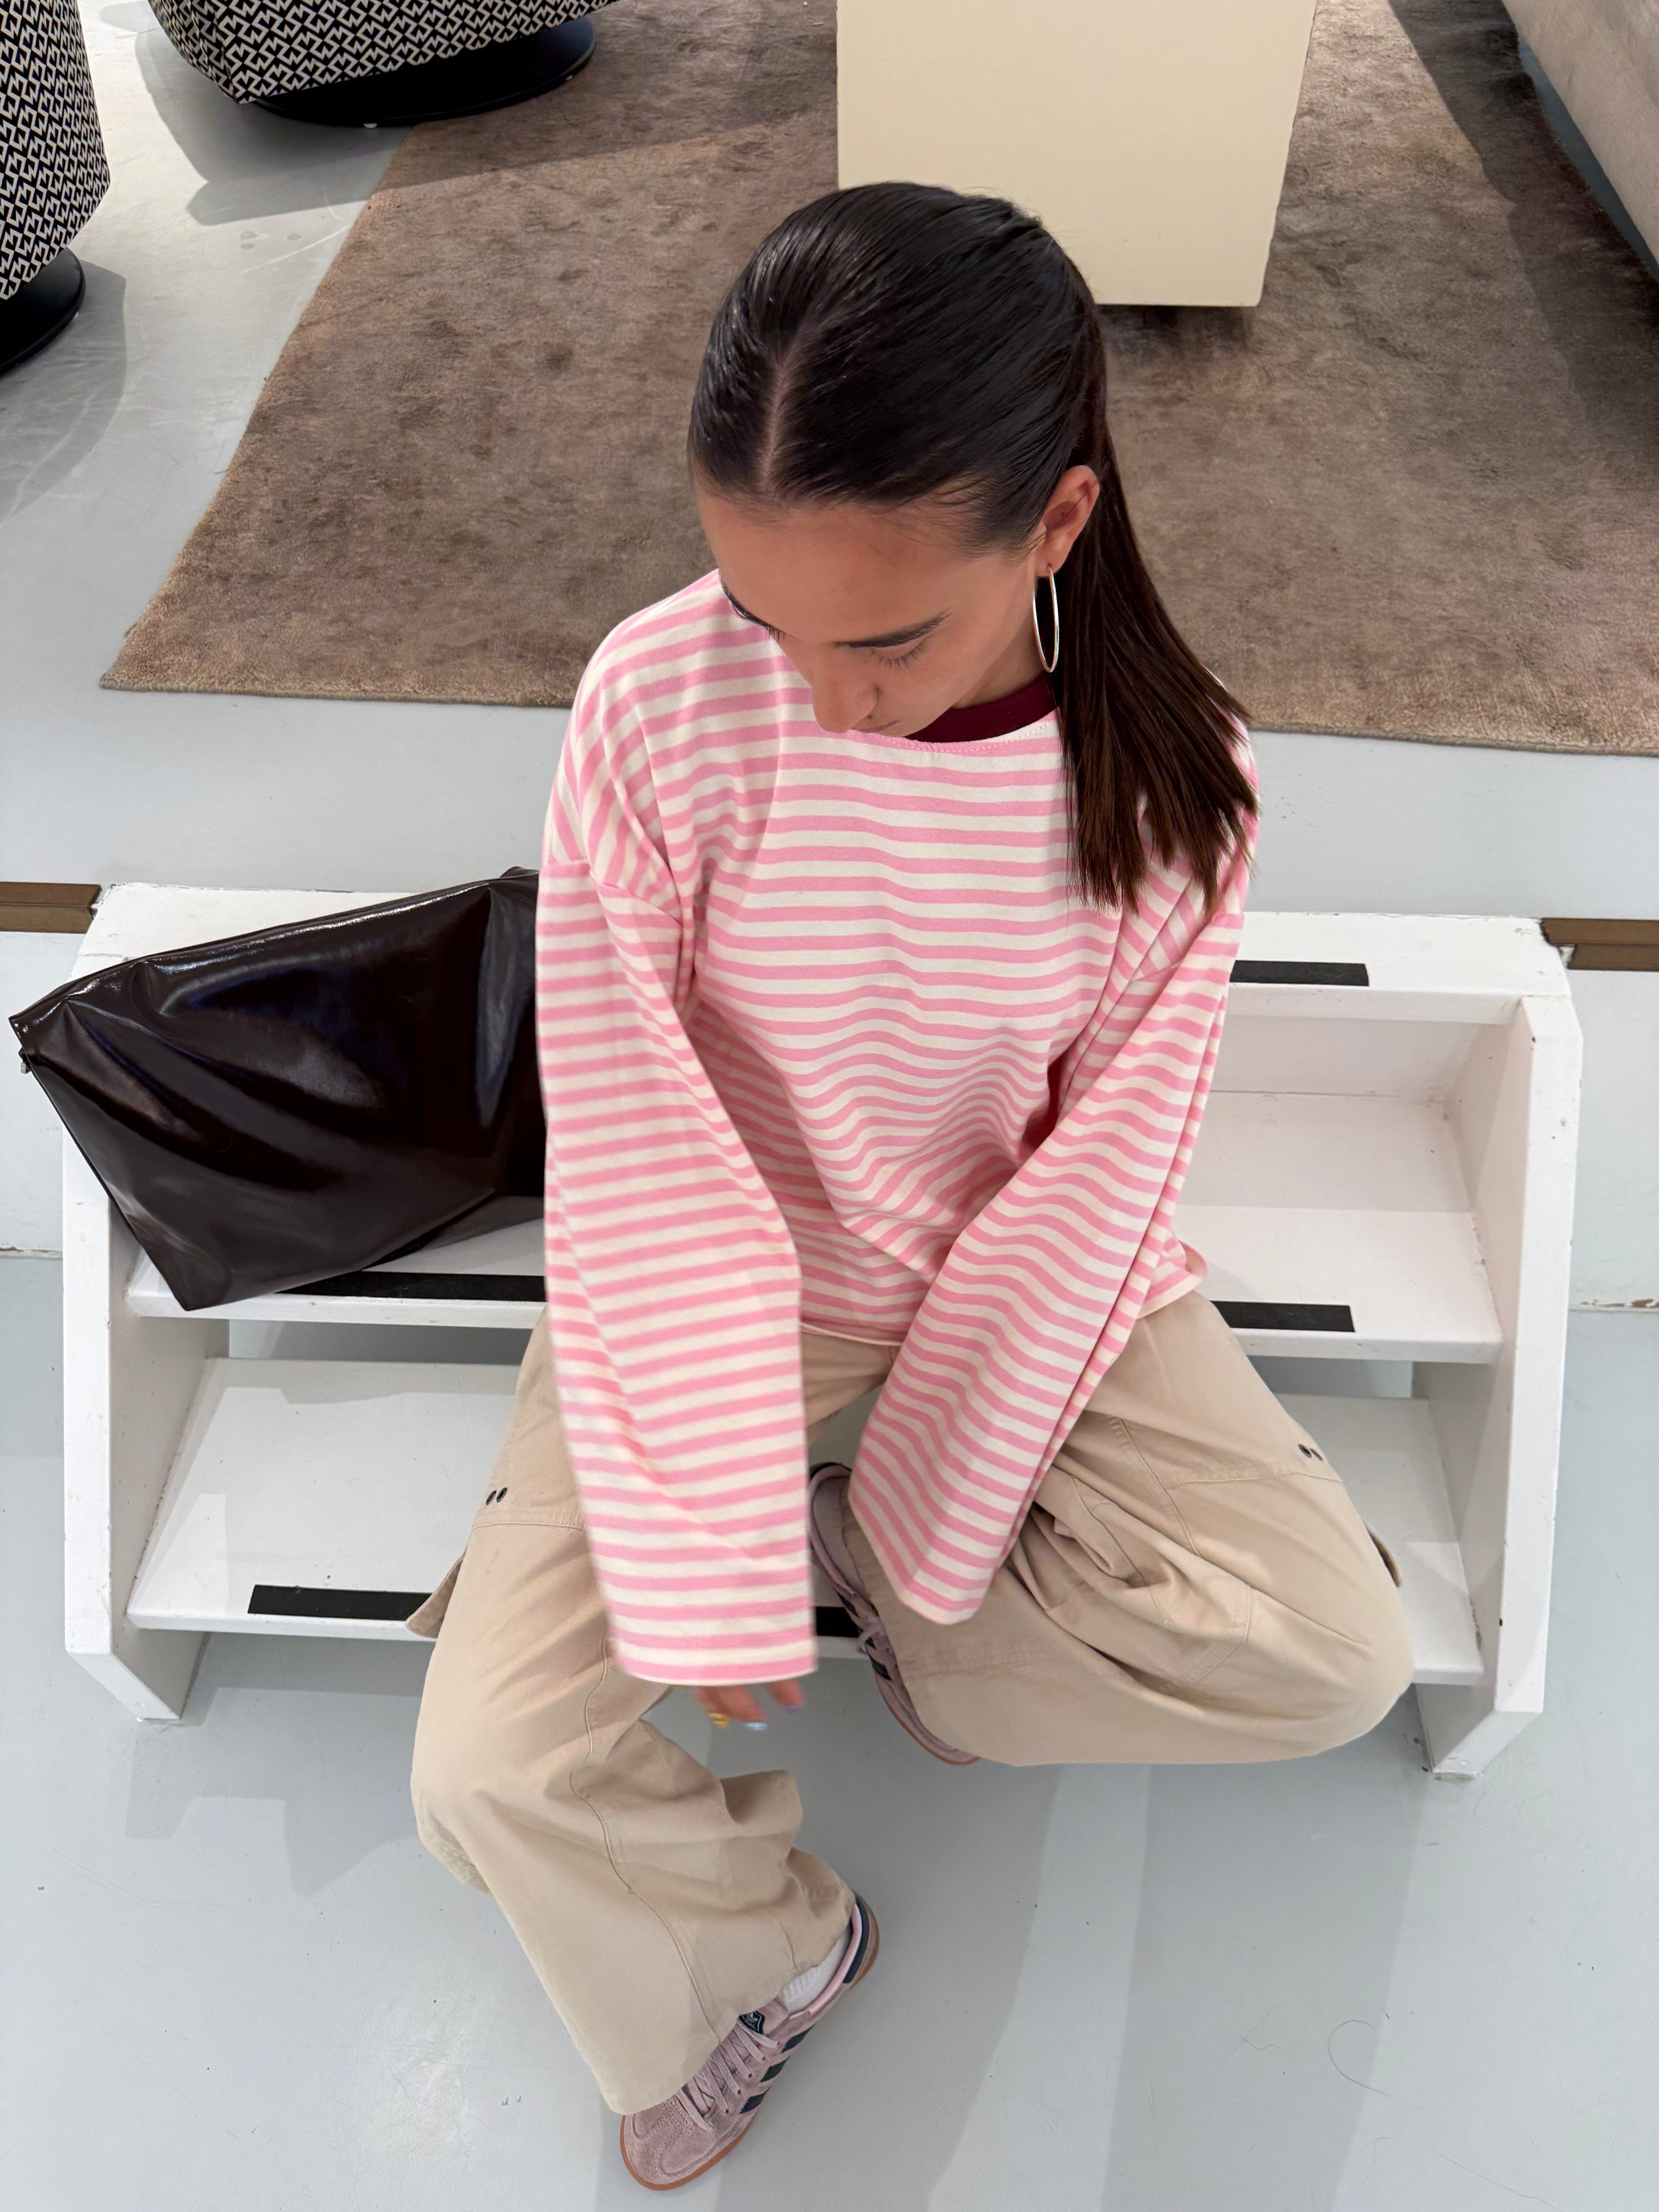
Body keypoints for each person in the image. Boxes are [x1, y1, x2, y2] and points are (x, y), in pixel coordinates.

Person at [407, 182, 1412, 2191]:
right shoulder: (655, 701)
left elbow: (1097, 1177)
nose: (821, 701)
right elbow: (636, 1131)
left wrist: (926, 1531)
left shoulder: (1177, 787)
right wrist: (705, 1533)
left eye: (882, 639)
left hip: (1020, 1266)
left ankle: (913, 1632)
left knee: (1336, 1657)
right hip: (717, 1267)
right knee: (483, 1775)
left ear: (1056, 522)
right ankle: (777, 1954)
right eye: (766, 618)